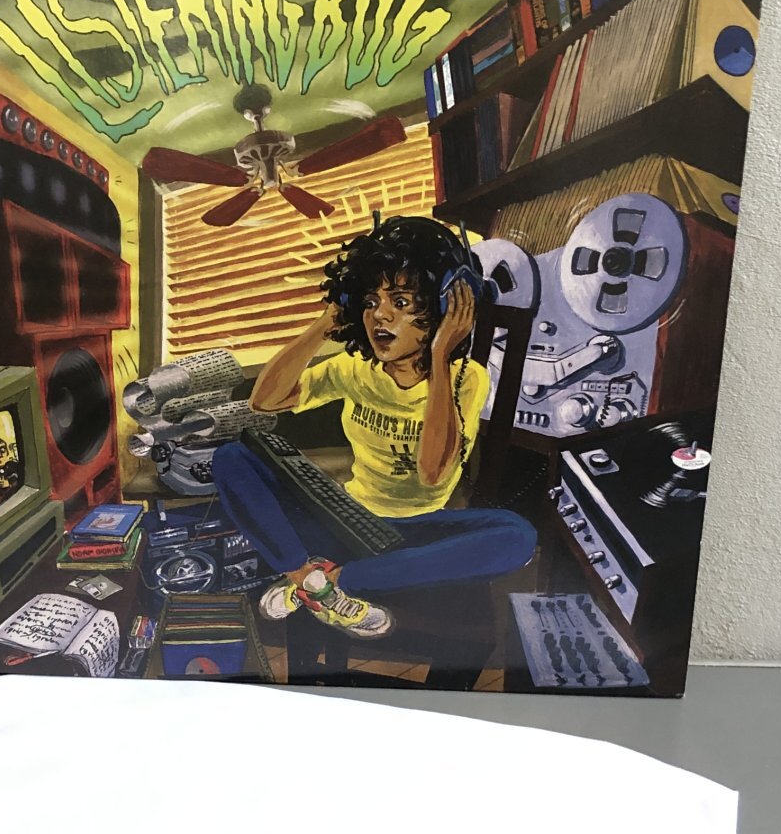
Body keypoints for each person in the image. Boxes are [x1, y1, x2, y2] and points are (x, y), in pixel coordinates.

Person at [211, 216, 537, 639]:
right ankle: (303, 576)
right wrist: (323, 326)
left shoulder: (465, 378)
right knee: (231, 457)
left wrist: (440, 354)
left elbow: (433, 472)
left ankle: (331, 584)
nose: (379, 315)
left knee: (517, 536)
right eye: (369, 301)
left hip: (416, 532)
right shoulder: (354, 369)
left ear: (441, 308)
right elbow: (264, 401)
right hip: (344, 518)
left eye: (400, 301)